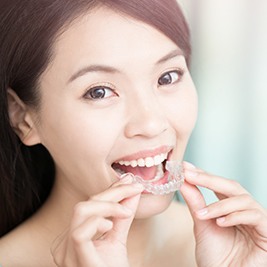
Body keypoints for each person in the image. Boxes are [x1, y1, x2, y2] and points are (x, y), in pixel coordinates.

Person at [0, 0, 267, 266]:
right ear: (23, 119)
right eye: (99, 92)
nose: (151, 124)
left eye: (167, 77)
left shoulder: (242, 251)